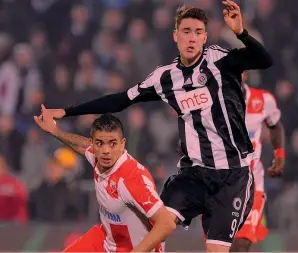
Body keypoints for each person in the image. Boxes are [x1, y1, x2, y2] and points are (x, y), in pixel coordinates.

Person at [40, 1, 273, 251]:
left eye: (197, 32)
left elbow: (265, 60)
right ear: (175, 35)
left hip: (233, 177)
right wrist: (66, 112)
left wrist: (240, 32)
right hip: (193, 174)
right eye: (186, 31)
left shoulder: (221, 61)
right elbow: (120, 100)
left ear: (205, 36)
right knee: (156, 226)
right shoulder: (165, 77)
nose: (192, 38)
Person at [34, 107, 176, 252]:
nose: (106, 151)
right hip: (107, 240)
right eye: (100, 143)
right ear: (93, 144)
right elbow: (83, 146)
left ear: (122, 144)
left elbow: (166, 224)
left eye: (113, 143)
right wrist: (55, 131)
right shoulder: (98, 156)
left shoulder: (133, 178)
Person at [228, 71, 285, 252]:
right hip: (221, 184)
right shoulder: (212, 102)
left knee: (243, 243)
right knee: (223, 246)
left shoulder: (263, 100)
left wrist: (280, 155)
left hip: (253, 181)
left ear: (244, 74)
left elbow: (275, 125)